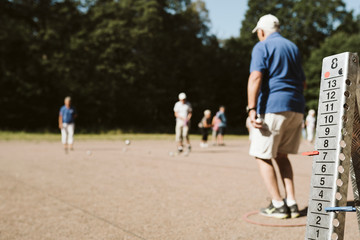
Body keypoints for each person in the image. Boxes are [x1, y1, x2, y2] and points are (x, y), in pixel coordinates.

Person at [247, 14, 305, 219]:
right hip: (297, 107)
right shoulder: (293, 47)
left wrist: (251, 109)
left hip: (273, 106)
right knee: (282, 155)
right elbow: (303, 82)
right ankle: (292, 202)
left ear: (261, 31)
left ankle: (278, 204)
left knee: (262, 154)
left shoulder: (262, 46)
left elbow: (256, 77)